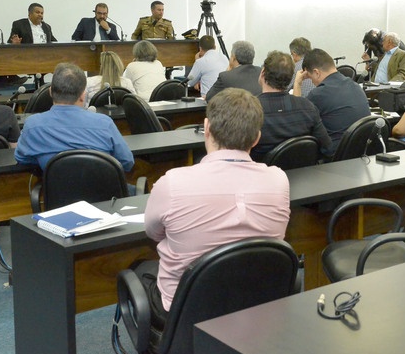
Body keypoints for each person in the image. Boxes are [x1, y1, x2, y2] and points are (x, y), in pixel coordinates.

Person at [143, 87, 290, 314]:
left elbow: (153, 233)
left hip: (186, 311)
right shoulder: (279, 180)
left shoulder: (172, 183)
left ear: (206, 128)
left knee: (141, 270)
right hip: (255, 305)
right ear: (257, 138)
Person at [15, 62, 134, 170]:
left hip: (56, 187)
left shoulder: (33, 125)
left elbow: (22, 158)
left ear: (50, 92)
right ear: (83, 95)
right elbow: (127, 162)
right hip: (102, 186)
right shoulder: (104, 123)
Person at [250, 51, 334, 162]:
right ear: (290, 78)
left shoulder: (249, 110)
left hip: (262, 172)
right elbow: (328, 150)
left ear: (263, 72)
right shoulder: (308, 107)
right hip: (304, 171)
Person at [296, 48, 370, 150]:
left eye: (310, 78)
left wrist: (298, 84)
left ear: (317, 73)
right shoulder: (355, 86)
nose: (312, 82)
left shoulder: (318, 94)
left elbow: (297, 122)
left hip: (335, 155)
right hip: (362, 152)